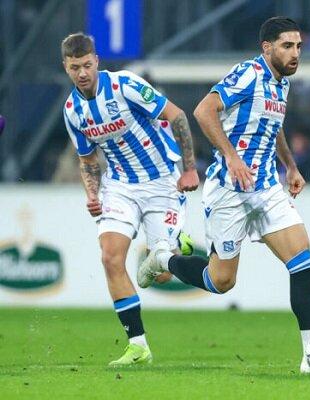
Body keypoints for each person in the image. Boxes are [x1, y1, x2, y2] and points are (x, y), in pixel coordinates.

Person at [137, 17, 310, 374]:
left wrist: (290, 166)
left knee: (301, 259)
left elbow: (273, 127)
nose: (295, 53)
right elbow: (203, 110)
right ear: (267, 48)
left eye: (298, 46)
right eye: (287, 46)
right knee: (221, 281)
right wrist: (231, 156)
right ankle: (163, 259)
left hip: (266, 190)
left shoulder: (282, 84)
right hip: (229, 191)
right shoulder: (248, 74)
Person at [61, 33, 200, 366]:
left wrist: (189, 170)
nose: (82, 73)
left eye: (87, 65)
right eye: (75, 67)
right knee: (110, 257)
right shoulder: (72, 110)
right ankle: (138, 346)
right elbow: (88, 159)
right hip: (120, 186)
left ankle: (175, 243)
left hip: (162, 181)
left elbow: (177, 115)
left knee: (161, 274)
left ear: (97, 61)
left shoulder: (125, 85)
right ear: (66, 67)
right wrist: (92, 193)